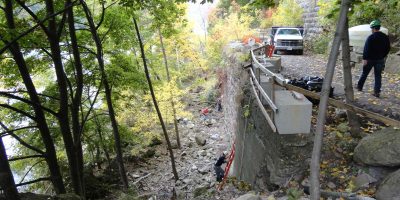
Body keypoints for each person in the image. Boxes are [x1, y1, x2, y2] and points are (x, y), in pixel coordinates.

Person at [357, 19, 391, 98]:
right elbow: (388, 48)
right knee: (378, 76)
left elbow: (366, 49)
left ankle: (359, 87)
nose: (371, 30)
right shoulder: (385, 37)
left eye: (371, 28)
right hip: (380, 59)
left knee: (364, 73)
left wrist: (365, 59)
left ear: (373, 28)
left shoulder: (371, 37)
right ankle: (376, 92)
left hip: (370, 59)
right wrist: (383, 55)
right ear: (379, 28)